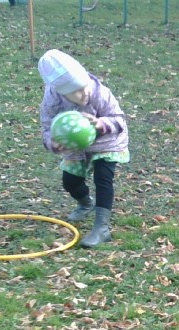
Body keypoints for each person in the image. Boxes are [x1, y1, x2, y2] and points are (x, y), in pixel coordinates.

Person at [38, 49, 129, 248]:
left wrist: (100, 123)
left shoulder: (99, 92)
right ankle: (86, 203)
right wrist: (53, 142)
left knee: (103, 178)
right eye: (76, 91)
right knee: (70, 182)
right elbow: (46, 127)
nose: (84, 93)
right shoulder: (52, 101)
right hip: (74, 146)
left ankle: (102, 228)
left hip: (107, 141)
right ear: (62, 92)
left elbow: (119, 119)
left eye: (83, 86)